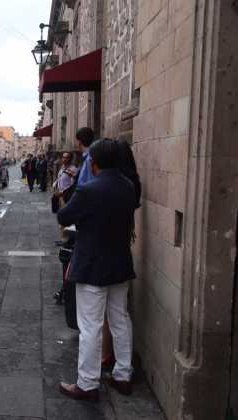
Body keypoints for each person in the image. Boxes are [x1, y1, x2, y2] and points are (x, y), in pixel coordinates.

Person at [57, 139, 136, 401]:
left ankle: (88, 383)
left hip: (92, 265)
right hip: (120, 263)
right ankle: (123, 375)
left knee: (90, 326)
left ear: (94, 162)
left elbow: (64, 216)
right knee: (120, 320)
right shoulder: (128, 187)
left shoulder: (90, 190)